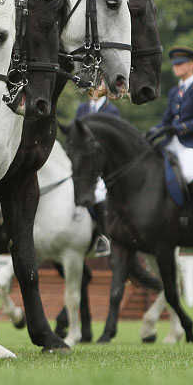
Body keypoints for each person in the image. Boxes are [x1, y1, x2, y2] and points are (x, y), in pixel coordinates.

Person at [146, 46, 193, 233]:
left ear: (192, 65)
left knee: (189, 173)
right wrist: (156, 129)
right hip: (172, 142)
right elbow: (167, 119)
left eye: (180, 63)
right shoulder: (175, 92)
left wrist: (177, 128)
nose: (175, 67)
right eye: (174, 64)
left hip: (192, 143)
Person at [76, 82, 120, 256]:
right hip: (83, 165)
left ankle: (104, 236)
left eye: (100, 82)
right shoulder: (82, 109)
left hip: (102, 166)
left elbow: (113, 141)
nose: (95, 86)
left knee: (100, 193)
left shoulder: (112, 111)